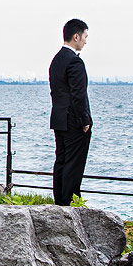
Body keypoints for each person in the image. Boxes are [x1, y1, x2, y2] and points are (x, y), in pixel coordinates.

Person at [49, 18, 91, 206]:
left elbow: (55, 92)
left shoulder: (56, 61)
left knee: (61, 161)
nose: (85, 41)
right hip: (74, 121)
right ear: (76, 36)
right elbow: (79, 95)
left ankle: (60, 200)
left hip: (58, 118)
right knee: (74, 164)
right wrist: (84, 121)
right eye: (85, 36)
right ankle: (71, 203)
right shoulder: (75, 62)